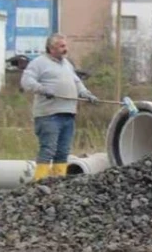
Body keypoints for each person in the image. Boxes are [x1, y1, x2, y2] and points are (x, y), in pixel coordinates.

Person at [20, 33, 98, 180]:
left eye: (65, 46)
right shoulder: (39, 63)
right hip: (49, 115)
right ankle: (39, 183)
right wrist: (42, 89)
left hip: (68, 114)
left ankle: (57, 184)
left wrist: (86, 93)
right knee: (48, 150)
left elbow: (76, 82)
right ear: (51, 48)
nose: (65, 49)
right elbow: (26, 81)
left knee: (63, 152)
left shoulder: (67, 64)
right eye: (62, 46)